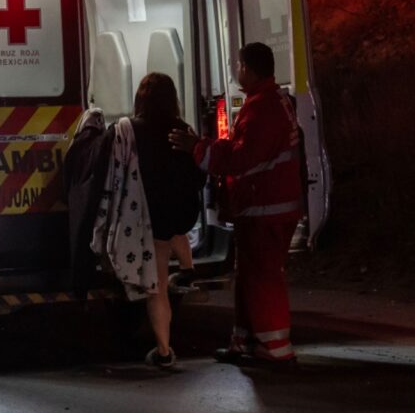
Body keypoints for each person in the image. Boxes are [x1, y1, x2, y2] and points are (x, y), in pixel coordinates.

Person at [170, 42, 303, 367]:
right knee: (250, 276)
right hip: (268, 207)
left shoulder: (262, 109)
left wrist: (198, 149)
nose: (235, 71)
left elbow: (242, 158)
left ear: (251, 69)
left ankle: (275, 349)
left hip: (265, 209)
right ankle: (245, 342)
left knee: (263, 278)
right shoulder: (273, 100)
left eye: (239, 66)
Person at [128, 73, 207, 368]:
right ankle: (187, 270)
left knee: (157, 287)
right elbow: (199, 175)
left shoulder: (130, 130)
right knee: (176, 232)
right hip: (180, 213)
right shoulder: (183, 130)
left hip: (150, 216)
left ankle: (163, 351)